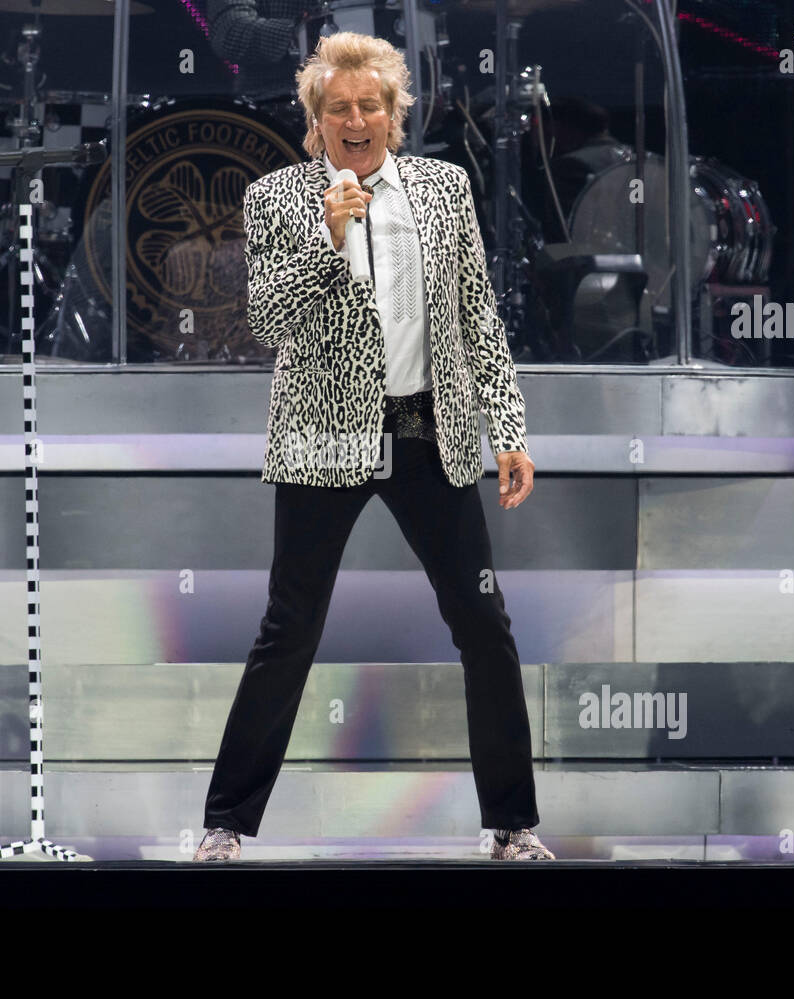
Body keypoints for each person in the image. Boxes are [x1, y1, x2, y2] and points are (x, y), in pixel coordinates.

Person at [194, 31, 553, 862]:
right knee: (289, 627)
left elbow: (475, 317)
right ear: (314, 123)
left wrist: (510, 428)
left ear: (396, 114)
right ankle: (225, 824)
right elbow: (267, 321)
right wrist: (328, 235)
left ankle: (511, 824)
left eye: (370, 106)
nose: (355, 120)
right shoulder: (279, 196)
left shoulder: (444, 188)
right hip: (325, 433)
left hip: (430, 429)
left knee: (484, 624)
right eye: (337, 109)